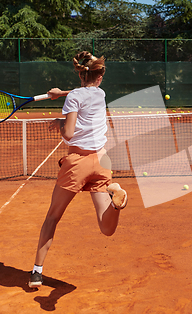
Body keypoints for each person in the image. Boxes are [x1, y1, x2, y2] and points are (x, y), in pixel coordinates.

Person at [29, 51, 128, 288]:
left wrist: (59, 123)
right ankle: (117, 201)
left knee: (52, 217)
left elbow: (70, 133)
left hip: (77, 163)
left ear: (80, 74)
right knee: (106, 228)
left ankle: (36, 272)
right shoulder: (101, 94)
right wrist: (60, 94)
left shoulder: (73, 98)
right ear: (99, 76)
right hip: (103, 162)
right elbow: (84, 91)